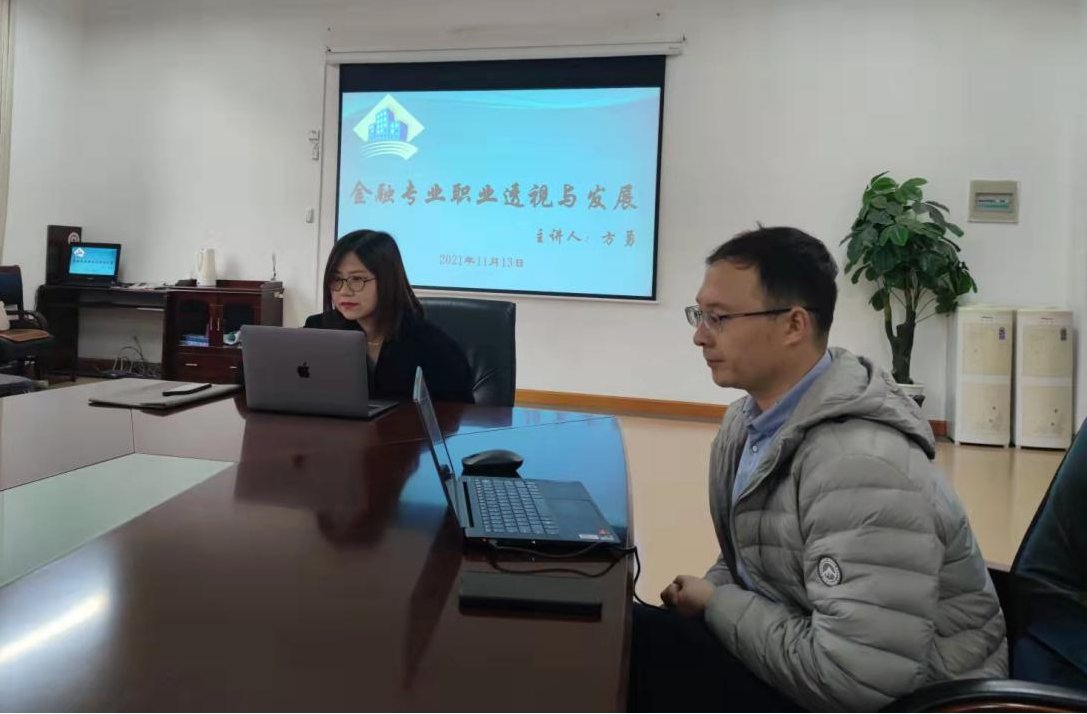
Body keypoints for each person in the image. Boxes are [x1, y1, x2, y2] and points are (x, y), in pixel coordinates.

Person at [629, 226, 1007, 713]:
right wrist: (712, 590)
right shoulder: (748, 423)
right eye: (699, 315)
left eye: (719, 318)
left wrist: (717, 603)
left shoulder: (860, 468)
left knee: (631, 654)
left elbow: (857, 681)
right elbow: (756, 553)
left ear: (794, 325)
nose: (700, 335)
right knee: (621, 635)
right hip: (810, 652)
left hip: (904, 700)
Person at [305, 229, 474, 404]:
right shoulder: (317, 330)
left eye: (357, 279)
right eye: (336, 279)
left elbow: (460, 414)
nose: (344, 291)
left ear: (387, 280)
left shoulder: (434, 346)